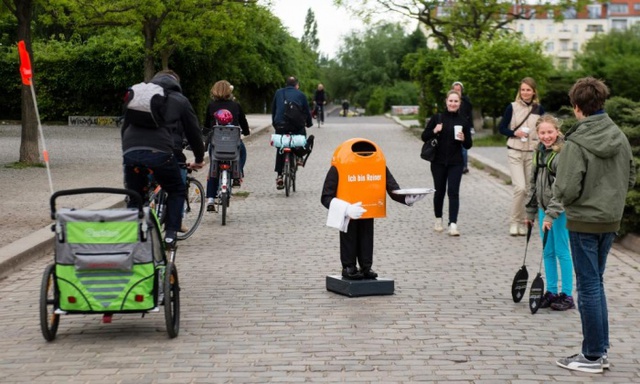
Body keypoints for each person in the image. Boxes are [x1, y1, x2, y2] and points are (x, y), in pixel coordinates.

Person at [554, 77, 636, 374]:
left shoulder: (576, 142)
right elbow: (630, 178)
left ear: (577, 107)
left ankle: (591, 355)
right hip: (610, 220)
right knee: (595, 284)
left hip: (584, 221)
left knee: (588, 287)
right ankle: (598, 350)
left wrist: (572, 202)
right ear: (601, 102)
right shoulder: (619, 135)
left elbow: (566, 186)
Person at [121, 70, 205, 246]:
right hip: (159, 153)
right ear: (176, 83)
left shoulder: (139, 98)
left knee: (136, 194)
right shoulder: (180, 100)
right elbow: (193, 132)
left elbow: (125, 126)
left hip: (131, 151)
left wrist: (128, 153)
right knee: (176, 189)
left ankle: (131, 236)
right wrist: (199, 158)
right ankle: (170, 234)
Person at [321, 138, 424, 280]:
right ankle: (348, 266)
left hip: (369, 209)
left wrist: (407, 198)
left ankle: (366, 266)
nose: (364, 159)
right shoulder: (340, 166)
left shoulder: (378, 165)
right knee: (349, 235)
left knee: (366, 235)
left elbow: (393, 188)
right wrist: (346, 209)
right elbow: (326, 196)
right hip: (348, 213)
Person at [524, 115, 574, 311]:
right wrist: (530, 213)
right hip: (545, 210)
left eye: (550, 132)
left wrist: (552, 215)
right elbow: (533, 185)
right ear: (538, 134)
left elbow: (563, 188)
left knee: (562, 251)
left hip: (560, 211)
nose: (546, 136)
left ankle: (568, 294)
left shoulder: (563, 153)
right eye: (542, 133)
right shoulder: (539, 153)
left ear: (557, 131)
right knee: (548, 251)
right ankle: (552, 291)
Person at [421, 90, 473, 236]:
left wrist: (463, 138)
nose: (453, 103)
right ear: (446, 101)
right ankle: (438, 219)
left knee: (453, 192)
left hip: (456, 162)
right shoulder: (437, 118)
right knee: (439, 191)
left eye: (456, 101)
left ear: (459, 103)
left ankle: (453, 224)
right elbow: (424, 136)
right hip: (438, 161)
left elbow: (468, 145)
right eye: (451, 101)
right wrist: (434, 130)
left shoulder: (463, 121)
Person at [499, 77, 545, 236]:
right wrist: (514, 133)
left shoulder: (539, 109)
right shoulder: (511, 107)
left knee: (529, 190)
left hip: (532, 152)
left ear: (533, 92)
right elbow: (502, 128)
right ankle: (514, 222)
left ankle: (525, 222)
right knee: (520, 188)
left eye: (528, 90)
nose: (525, 93)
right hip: (515, 151)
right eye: (523, 89)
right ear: (520, 91)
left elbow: (543, 129)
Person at [203, 80, 250, 210]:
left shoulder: (211, 106)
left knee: (213, 168)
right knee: (243, 152)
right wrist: (246, 132)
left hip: (216, 144)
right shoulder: (236, 106)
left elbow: (206, 126)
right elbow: (243, 122)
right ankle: (237, 173)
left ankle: (211, 199)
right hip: (233, 144)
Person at [271, 76, 313, 190]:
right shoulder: (301, 95)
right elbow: (307, 112)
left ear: (286, 84)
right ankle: (299, 157)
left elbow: (274, 110)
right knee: (302, 132)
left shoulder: (279, 93)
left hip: (280, 124)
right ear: (297, 85)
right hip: (296, 126)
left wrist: (275, 124)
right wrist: (309, 123)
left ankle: (279, 175)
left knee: (281, 146)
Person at [451, 81, 473, 174]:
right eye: (455, 90)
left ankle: (464, 166)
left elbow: (470, 113)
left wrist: (471, 127)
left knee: (464, 148)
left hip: (464, 126)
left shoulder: (465, 101)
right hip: (452, 126)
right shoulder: (450, 101)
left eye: (458, 90)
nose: (457, 92)